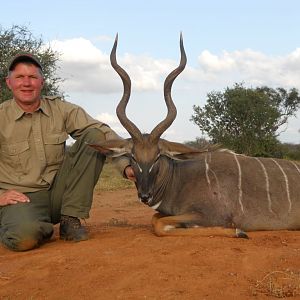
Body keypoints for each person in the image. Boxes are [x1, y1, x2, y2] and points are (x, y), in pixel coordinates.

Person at [0, 53, 134, 251]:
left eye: (33, 77)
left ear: (42, 82)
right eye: (19, 77)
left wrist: (128, 165)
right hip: (22, 197)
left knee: (94, 135)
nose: (26, 83)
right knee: (25, 238)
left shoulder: (61, 109)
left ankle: (70, 219)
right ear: (9, 83)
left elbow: (104, 134)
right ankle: (22, 223)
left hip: (59, 194)